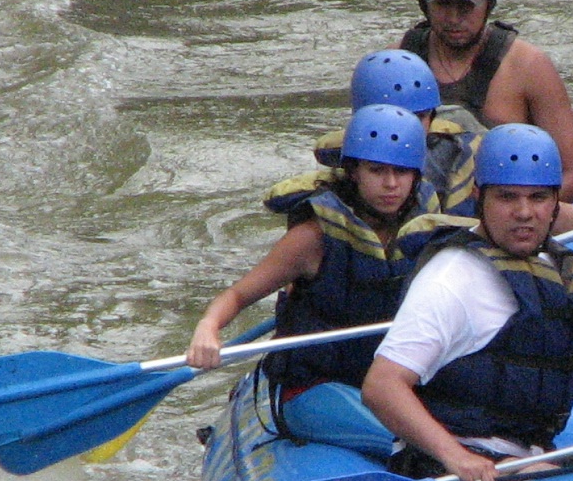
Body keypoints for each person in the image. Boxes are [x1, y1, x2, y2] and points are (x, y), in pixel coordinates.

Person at [363, 124, 573, 481]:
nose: (524, 212)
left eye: (538, 198)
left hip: (524, 457)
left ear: (555, 204)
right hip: (449, 461)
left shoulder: (552, 270)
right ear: (479, 197)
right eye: (507, 197)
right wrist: (457, 457)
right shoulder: (450, 279)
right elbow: (382, 385)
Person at [187, 107, 452, 408]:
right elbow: (236, 295)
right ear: (354, 172)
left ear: (416, 175)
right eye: (377, 171)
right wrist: (207, 327)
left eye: (401, 171)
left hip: (393, 382)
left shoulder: (427, 226)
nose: (391, 184)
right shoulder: (313, 238)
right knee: (403, 433)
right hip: (315, 387)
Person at [267, 48, 573, 241]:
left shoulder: (461, 155)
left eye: (419, 118)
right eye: (394, 118)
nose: (406, 131)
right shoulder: (346, 182)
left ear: (433, 115)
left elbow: (521, 207)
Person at [397, 0, 573, 201]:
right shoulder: (396, 62)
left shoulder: (528, 67)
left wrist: (507, 212)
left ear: (489, 2)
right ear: (424, 4)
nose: (454, 18)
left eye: (466, 6)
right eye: (443, 5)